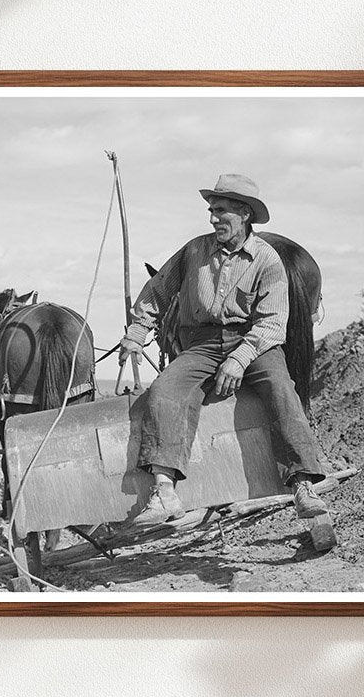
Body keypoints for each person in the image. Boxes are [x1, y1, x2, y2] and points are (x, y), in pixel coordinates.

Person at [119, 174, 333, 527]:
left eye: (221, 211)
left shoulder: (267, 260)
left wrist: (238, 358)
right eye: (211, 210)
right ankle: (164, 491)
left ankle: (303, 486)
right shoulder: (194, 251)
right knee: (163, 391)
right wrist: (138, 331)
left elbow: (272, 324)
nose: (213, 218)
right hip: (202, 344)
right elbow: (157, 290)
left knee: (280, 387)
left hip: (254, 343)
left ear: (244, 213)